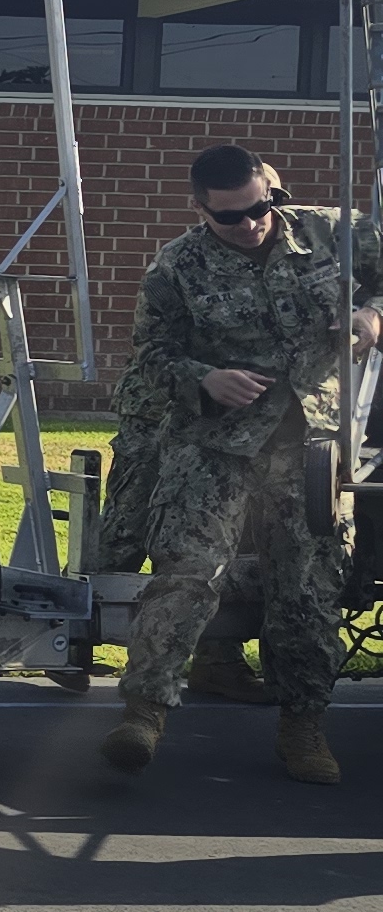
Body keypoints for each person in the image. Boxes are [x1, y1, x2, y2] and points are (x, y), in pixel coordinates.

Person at [92, 145, 383, 784]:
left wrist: (370, 313)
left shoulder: (329, 231)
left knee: (307, 584)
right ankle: (144, 713)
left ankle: (303, 727)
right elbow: (150, 359)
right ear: (201, 210)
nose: (253, 224)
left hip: (310, 442)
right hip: (214, 443)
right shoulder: (177, 268)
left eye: (261, 207)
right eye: (233, 218)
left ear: (271, 189)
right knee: (188, 571)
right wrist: (204, 377)